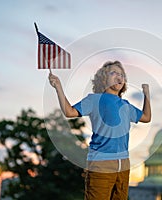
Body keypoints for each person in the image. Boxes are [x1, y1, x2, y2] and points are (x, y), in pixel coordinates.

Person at [48, 60, 151, 200]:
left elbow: (146, 117)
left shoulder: (126, 105)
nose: (119, 76)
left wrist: (146, 95)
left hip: (124, 165)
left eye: (121, 74)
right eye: (113, 73)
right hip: (101, 164)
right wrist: (58, 87)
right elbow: (69, 112)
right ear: (103, 79)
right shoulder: (94, 100)